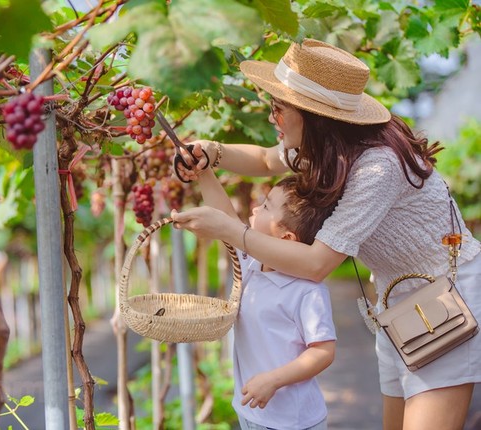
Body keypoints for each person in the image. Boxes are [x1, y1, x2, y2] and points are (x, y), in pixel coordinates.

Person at [171, 38, 481, 430]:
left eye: (278, 109)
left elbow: (317, 264)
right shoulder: (328, 151)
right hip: (397, 301)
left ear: (313, 116)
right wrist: (211, 152)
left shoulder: (375, 168)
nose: (271, 118)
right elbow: (267, 159)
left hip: (445, 300)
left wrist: (232, 230)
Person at [197, 165, 337, 430]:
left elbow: (323, 352)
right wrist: (202, 170)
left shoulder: (307, 290)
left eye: (265, 207)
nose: (255, 209)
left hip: (292, 422)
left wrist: (273, 380)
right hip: (252, 412)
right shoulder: (251, 264)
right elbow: (224, 218)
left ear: (285, 237)